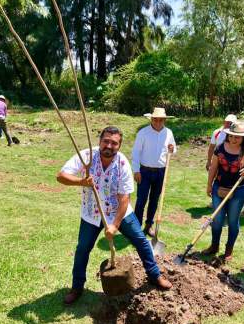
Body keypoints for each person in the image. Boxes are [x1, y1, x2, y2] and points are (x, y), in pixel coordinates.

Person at [57, 126, 172, 305]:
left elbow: (124, 198)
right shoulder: (87, 156)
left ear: (119, 145)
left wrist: (114, 225)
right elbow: (61, 176)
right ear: (100, 141)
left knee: (141, 240)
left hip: (119, 212)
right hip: (91, 213)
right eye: (106, 141)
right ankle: (77, 287)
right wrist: (82, 182)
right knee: (82, 249)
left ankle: (155, 275)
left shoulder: (123, 164)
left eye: (114, 143)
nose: (109, 146)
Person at [202, 122, 244, 262]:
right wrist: (209, 185)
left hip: (239, 191)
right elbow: (213, 167)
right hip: (219, 188)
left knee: (233, 221)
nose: (233, 139)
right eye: (231, 136)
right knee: (217, 219)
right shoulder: (220, 148)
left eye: (237, 137)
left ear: (243, 138)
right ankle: (214, 246)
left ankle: (228, 250)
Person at [131, 108, 177, 237]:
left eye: (161, 120)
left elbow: (173, 150)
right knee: (141, 199)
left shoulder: (168, 133)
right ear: (151, 119)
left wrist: (172, 149)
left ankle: (149, 225)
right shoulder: (143, 133)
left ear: (164, 120)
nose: (158, 122)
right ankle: (136, 227)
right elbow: (136, 152)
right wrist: (136, 170)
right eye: (155, 119)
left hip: (161, 172)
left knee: (155, 200)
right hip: (144, 171)